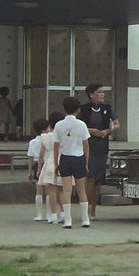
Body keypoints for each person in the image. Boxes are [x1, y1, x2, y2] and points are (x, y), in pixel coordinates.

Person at [80, 83, 120, 221]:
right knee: (89, 176)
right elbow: (79, 125)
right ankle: (85, 208)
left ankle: (93, 209)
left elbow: (117, 124)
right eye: (99, 92)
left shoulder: (107, 108)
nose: (102, 94)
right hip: (88, 144)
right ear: (91, 94)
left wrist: (108, 131)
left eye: (103, 92)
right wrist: (91, 131)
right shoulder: (84, 109)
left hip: (102, 145)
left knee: (98, 178)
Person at [53, 97, 91, 229]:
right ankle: (85, 219)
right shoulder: (82, 124)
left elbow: (56, 146)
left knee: (66, 190)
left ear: (64, 109)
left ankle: (68, 220)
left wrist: (56, 163)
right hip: (79, 157)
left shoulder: (58, 125)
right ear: (78, 110)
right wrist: (86, 161)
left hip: (65, 158)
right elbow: (86, 144)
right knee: (81, 189)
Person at [37, 113, 64, 224]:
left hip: (49, 163)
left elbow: (41, 155)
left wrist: (39, 169)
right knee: (62, 190)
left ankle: (53, 215)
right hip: (62, 161)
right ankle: (63, 213)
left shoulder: (46, 137)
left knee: (51, 191)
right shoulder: (63, 136)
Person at [27, 119, 47, 221]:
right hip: (47, 163)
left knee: (39, 190)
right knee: (49, 190)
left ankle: (39, 214)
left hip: (36, 165)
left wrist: (30, 172)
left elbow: (30, 158)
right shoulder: (48, 140)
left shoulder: (32, 142)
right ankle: (50, 214)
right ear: (44, 130)